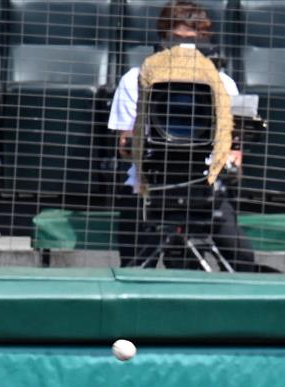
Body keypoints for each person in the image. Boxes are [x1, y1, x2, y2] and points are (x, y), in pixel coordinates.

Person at [108, 1, 257, 270]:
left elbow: (234, 151)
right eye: (176, 39)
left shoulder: (223, 83)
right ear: (162, 38)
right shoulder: (135, 78)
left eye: (195, 40)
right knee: (135, 267)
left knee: (242, 260)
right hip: (147, 187)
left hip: (205, 186)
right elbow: (125, 146)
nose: (185, 48)